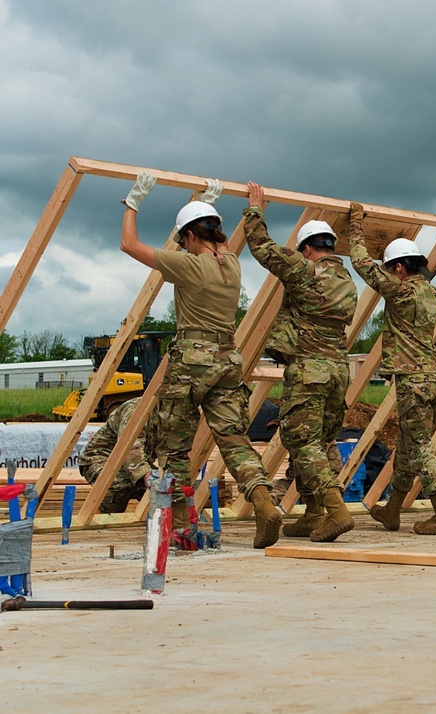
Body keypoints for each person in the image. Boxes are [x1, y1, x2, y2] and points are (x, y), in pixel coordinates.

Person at [119, 172, 282, 549]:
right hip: (228, 357)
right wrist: (208, 204)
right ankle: (262, 501)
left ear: (190, 235)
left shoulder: (189, 265)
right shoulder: (232, 264)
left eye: (183, 239)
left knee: (174, 445)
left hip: (192, 359)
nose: (183, 245)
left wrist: (132, 203)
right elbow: (212, 238)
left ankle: (179, 521)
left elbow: (129, 244)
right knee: (234, 439)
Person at [244, 182, 358, 541]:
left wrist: (255, 210)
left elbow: (261, 247)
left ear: (307, 249)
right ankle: (313, 512)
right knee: (319, 442)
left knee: (302, 441)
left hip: (309, 370)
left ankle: (336, 510)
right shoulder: (347, 281)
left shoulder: (305, 270)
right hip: (339, 372)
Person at [347, 202, 436, 535]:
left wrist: (356, 225)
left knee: (419, 446)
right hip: (435, 377)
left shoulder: (402, 291)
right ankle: (392, 510)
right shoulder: (431, 293)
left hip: (415, 381)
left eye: (391, 269)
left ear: (400, 269)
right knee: (407, 446)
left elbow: (362, 264)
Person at [78, 397, 156, 514]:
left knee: (168, 488)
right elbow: (130, 448)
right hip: (100, 458)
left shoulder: (173, 416)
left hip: (134, 465)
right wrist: (148, 477)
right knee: (120, 483)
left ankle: (158, 526)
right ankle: (103, 520)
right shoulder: (136, 410)